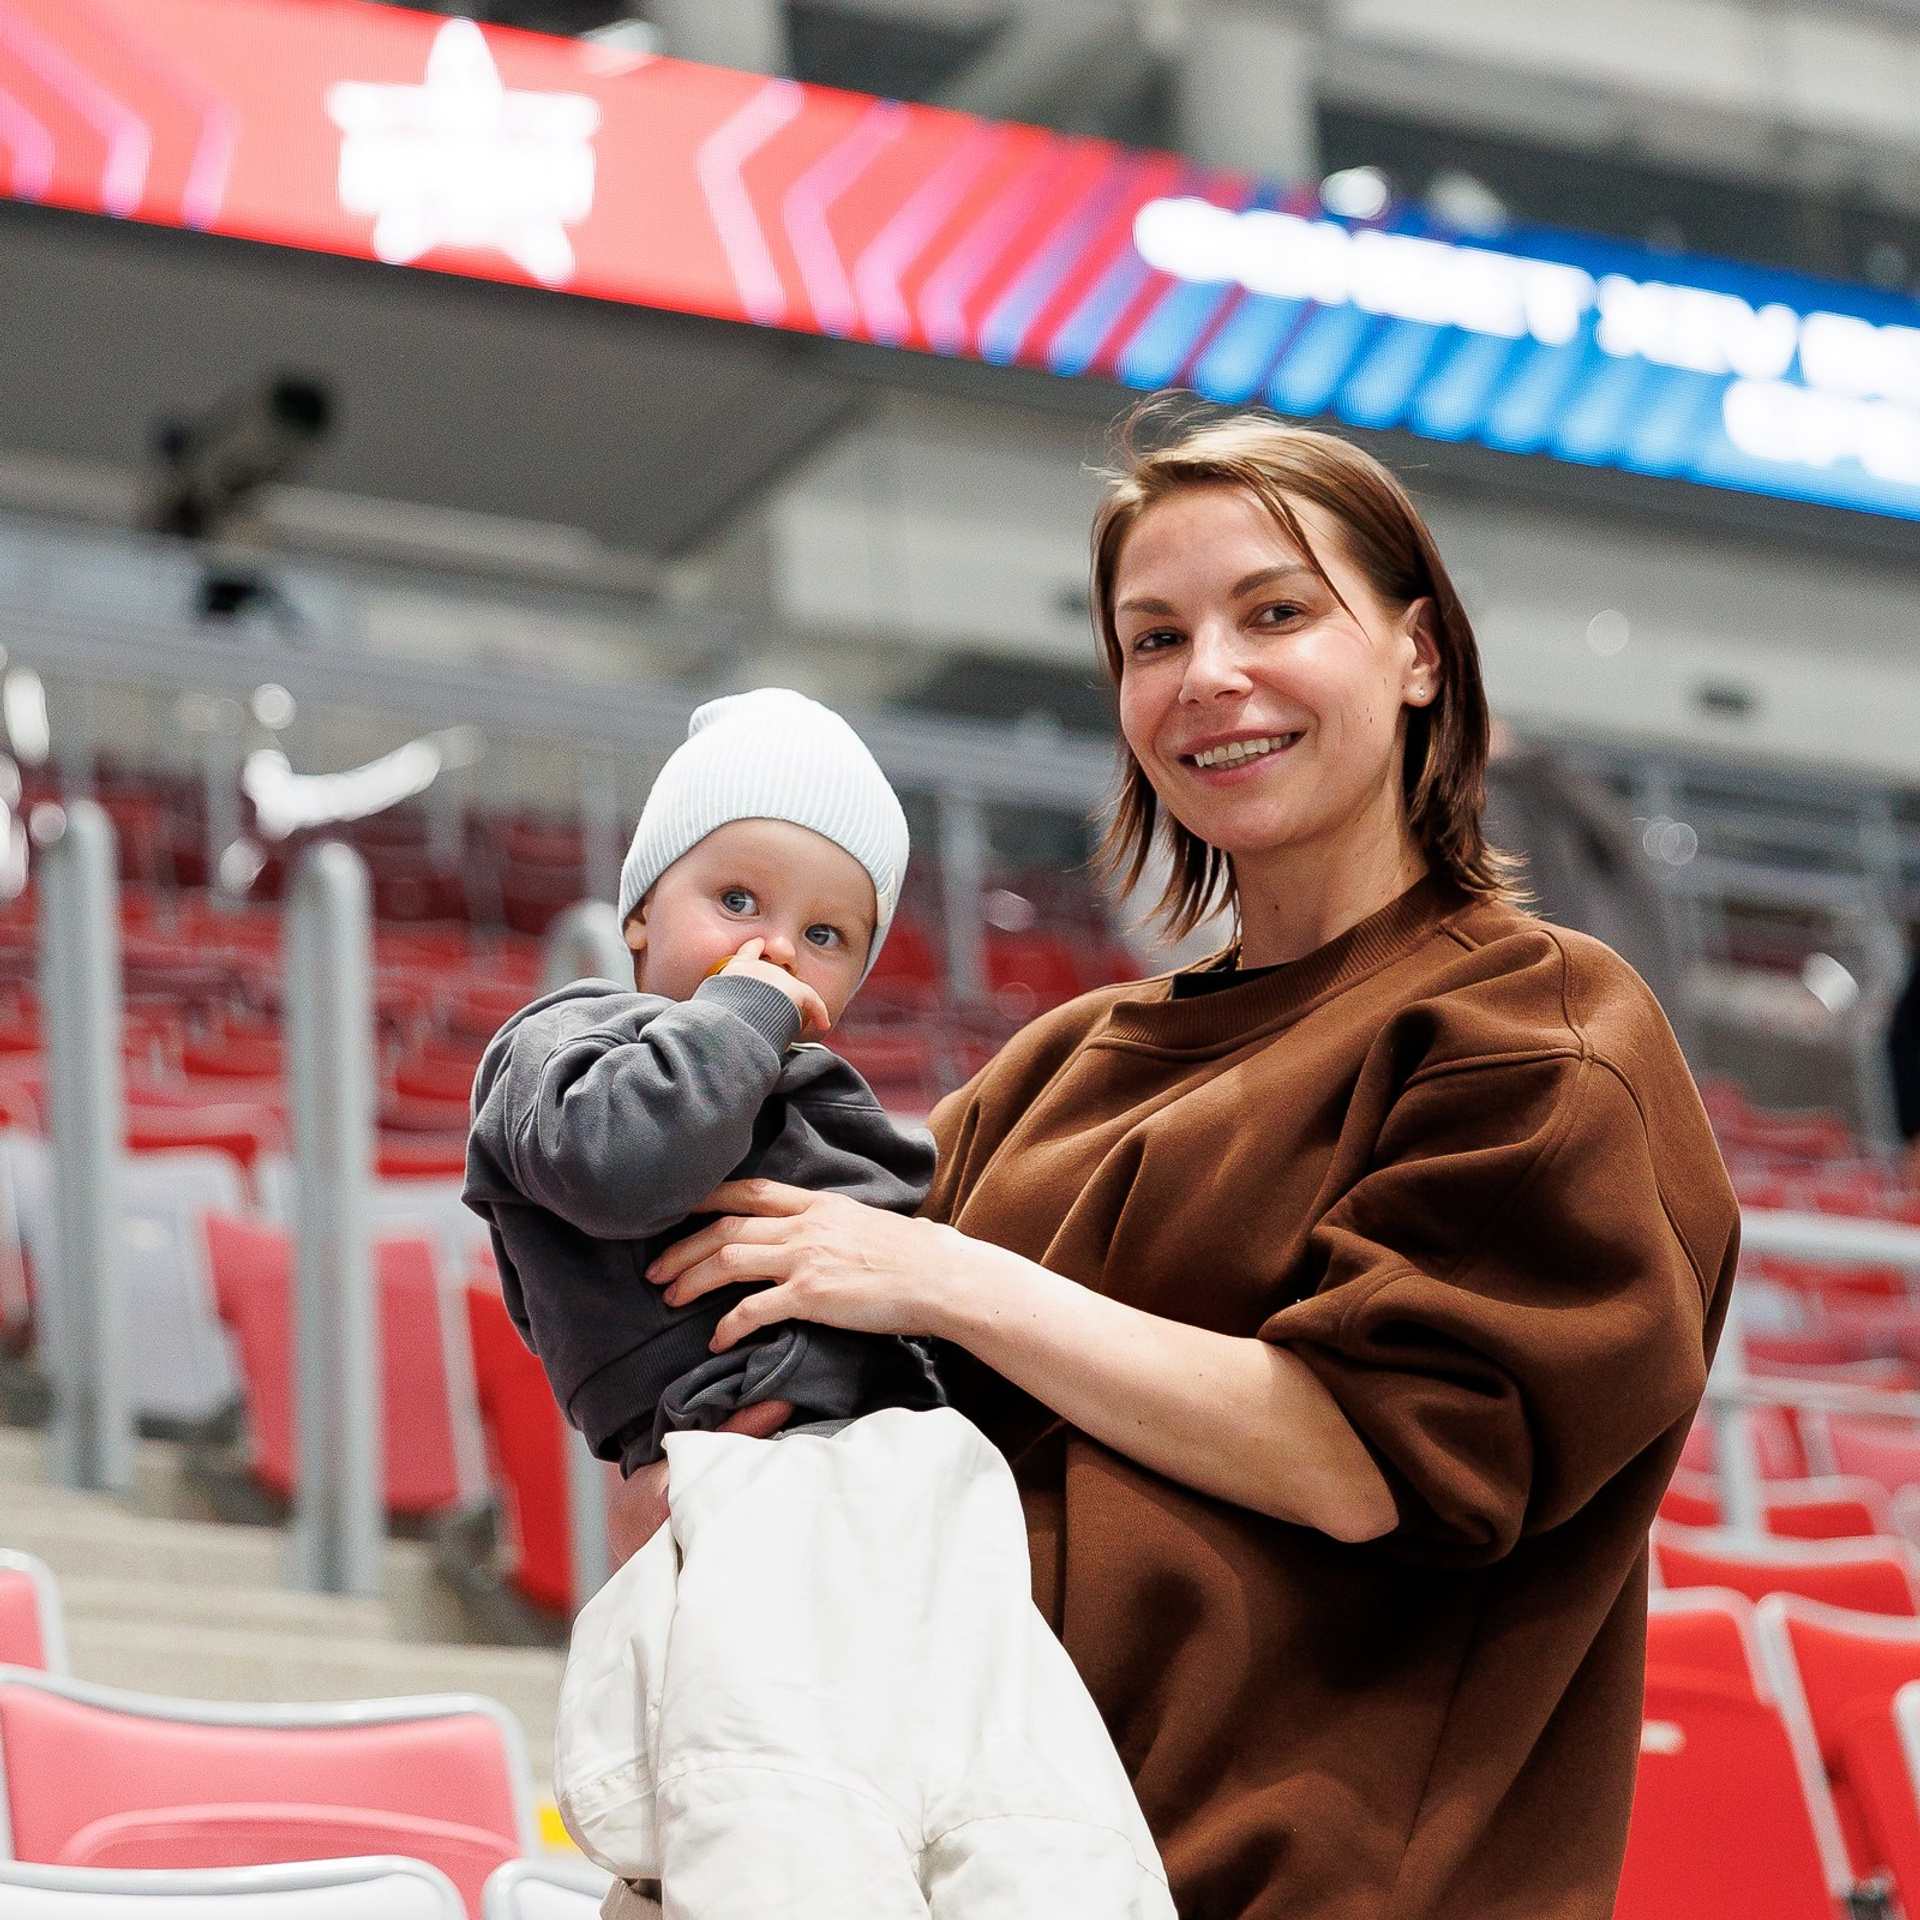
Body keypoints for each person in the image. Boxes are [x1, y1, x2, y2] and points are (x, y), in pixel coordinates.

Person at [643, 414, 1740, 1919]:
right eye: (1152, 639)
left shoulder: (1537, 1033)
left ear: (1418, 652)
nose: (1205, 674)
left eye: (1276, 611)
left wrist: (955, 1281)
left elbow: (1364, 1460)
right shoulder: (1060, 1062)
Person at [465, 688, 1174, 1920]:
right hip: (756, 1485)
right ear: (638, 914)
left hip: (912, 1482)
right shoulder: (564, 1045)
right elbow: (628, 1159)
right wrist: (740, 1015)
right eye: (735, 902)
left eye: (828, 934)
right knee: (784, 1822)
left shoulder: (811, 1104)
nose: (776, 950)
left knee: (1034, 1806)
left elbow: (913, 1286)